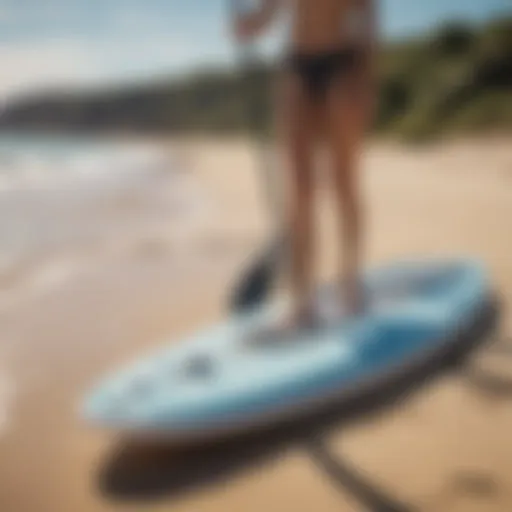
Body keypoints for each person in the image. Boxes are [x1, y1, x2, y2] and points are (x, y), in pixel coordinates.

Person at [233, 0, 377, 330]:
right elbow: (266, 16)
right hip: (298, 65)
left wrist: (366, 74)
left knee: (343, 181)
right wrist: (246, 25)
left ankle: (350, 282)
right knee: (300, 192)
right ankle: (302, 300)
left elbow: (367, 13)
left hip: (344, 61)